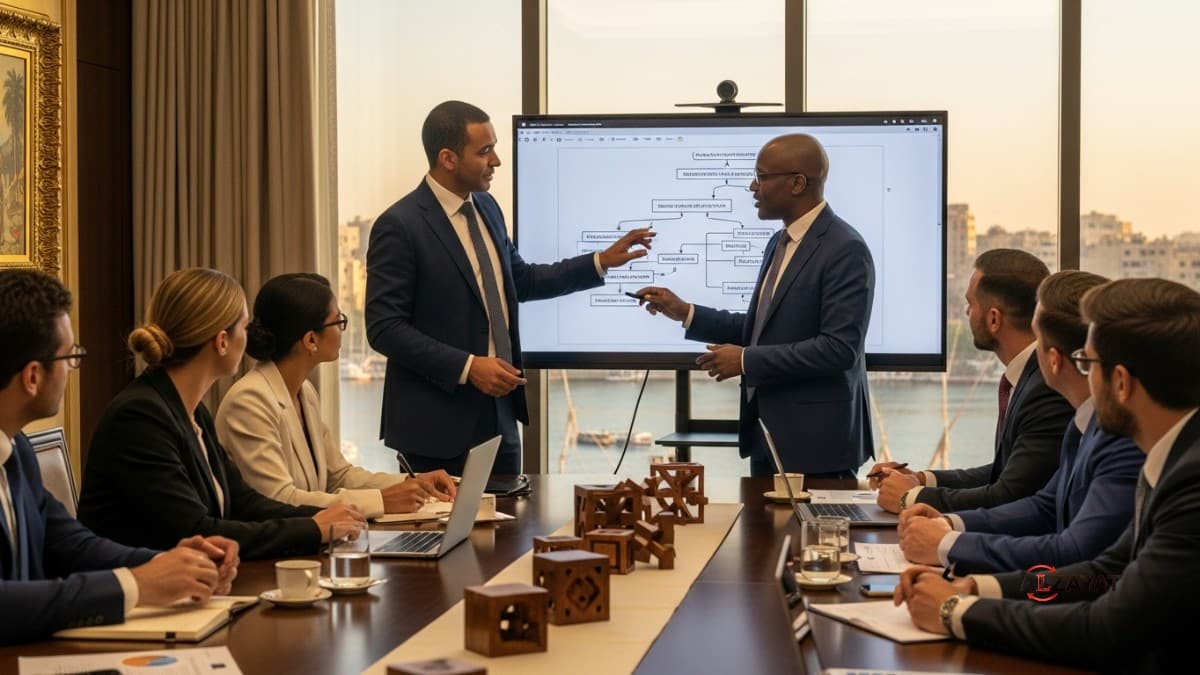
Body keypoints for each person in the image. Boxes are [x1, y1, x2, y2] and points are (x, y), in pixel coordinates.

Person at [895, 278, 1200, 671]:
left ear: (1121, 382)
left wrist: (957, 611)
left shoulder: (1190, 482)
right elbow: (1103, 573)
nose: (1081, 374)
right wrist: (977, 588)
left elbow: (1107, 628)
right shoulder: (1170, 456)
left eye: (1088, 363)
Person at [366, 100, 655, 476]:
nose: (497, 160)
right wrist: (468, 367)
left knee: (507, 530)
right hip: (436, 429)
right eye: (484, 151)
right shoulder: (400, 226)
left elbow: (521, 281)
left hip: (500, 418)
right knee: (444, 535)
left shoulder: (487, 209)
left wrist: (599, 261)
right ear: (448, 158)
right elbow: (384, 328)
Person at [0, 269, 239, 645]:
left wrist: (171, 564)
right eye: (71, 356)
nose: (72, 369)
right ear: (33, 376)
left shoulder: (18, 452)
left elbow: (73, 544)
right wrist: (135, 584)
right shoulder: (138, 412)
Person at [78, 268, 364, 560]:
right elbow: (197, 531)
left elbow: (243, 501)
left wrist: (324, 519)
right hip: (139, 594)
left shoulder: (192, 411)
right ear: (223, 340)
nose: (251, 338)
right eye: (244, 326)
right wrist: (314, 529)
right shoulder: (140, 418)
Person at [636, 133, 874, 477]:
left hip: (818, 447)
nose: (752, 186)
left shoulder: (845, 249)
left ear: (796, 183)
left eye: (761, 177)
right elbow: (761, 327)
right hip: (768, 437)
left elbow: (839, 349)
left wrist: (746, 360)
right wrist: (685, 312)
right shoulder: (780, 242)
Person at [896, 271, 1143, 573]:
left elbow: (1077, 552)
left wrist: (948, 544)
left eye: (1037, 339)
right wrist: (948, 523)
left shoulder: (1120, 437)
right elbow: (1045, 506)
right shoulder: (1086, 421)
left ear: (1054, 359)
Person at [216, 273, 457, 519]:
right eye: (338, 321)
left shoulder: (305, 392)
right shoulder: (248, 401)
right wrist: (382, 501)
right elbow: (280, 499)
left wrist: (411, 482)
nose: (342, 329)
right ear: (311, 339)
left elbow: (338, 475)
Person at [871, 249, 1073, 512]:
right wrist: (920, 479)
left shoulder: (1045, 389)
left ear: (993, 319)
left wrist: (911, 497)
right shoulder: (1029, 375)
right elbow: (1005, 472)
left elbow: (1008, 495)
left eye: (971, 303)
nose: (967, 312)